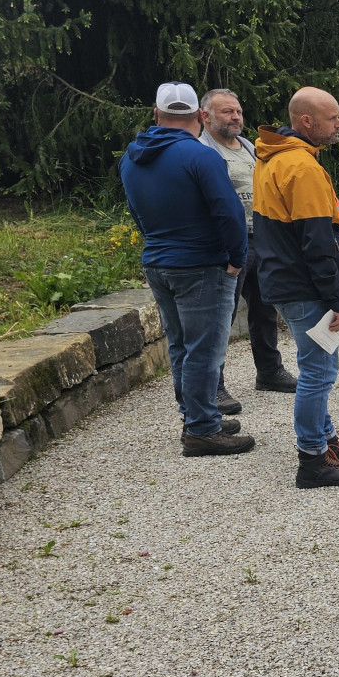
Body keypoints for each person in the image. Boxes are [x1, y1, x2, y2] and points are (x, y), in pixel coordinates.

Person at [119, 82, 254, 457]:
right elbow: (228, 212)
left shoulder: (130, 158)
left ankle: (196, 414)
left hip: (159, 262)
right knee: (205, 350)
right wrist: (237, 257)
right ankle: (202, 431)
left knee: (180, 346)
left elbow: (136, 211)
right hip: (201, 264)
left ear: (156, 114)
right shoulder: (201, 157)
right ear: (199, 116)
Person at [252, 87, 339, 488]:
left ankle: (326, 442)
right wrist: (333, 297)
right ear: (307, 121)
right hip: (303, 285)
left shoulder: (273, 157)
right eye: (333, 118)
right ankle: (313, 460)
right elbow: (316, 238)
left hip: (283, 279)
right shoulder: (301, 167)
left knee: (315, 367)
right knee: (318, 372)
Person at [197, 88, 298, 399]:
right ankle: (214, 386)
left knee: (266, 308)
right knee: (220, 316)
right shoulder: (201, 151)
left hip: (263, 237)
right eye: (227, 112)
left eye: (237, 111)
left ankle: (269, 371)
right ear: (205, 116)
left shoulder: (249, 148)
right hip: (227, 243)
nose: (236, 117)